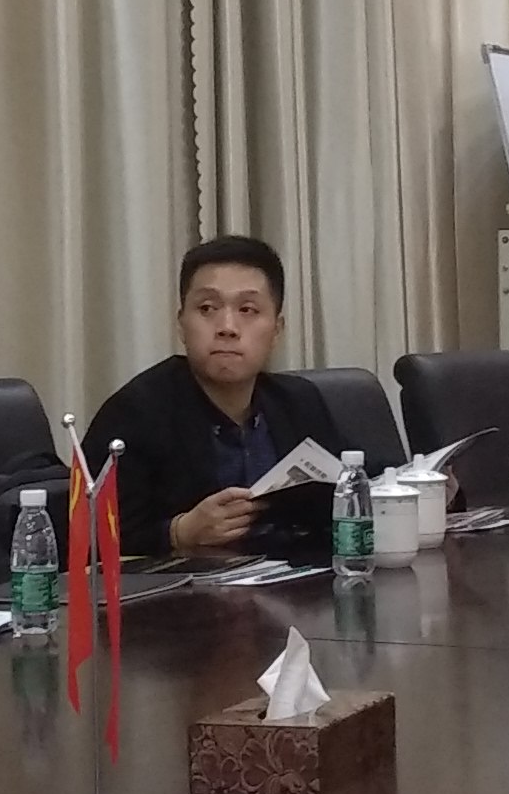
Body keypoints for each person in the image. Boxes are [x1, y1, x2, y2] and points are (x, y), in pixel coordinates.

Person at [84, 236, 336, 558]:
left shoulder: (300, 402)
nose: (227, 327)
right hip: (187, 587)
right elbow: (90, 538)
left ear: (276, 330)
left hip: (296, 582)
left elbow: (341, 504)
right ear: (181, 324)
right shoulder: (135, 413)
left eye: (247, 310)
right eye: (207, 309)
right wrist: (179, 533)